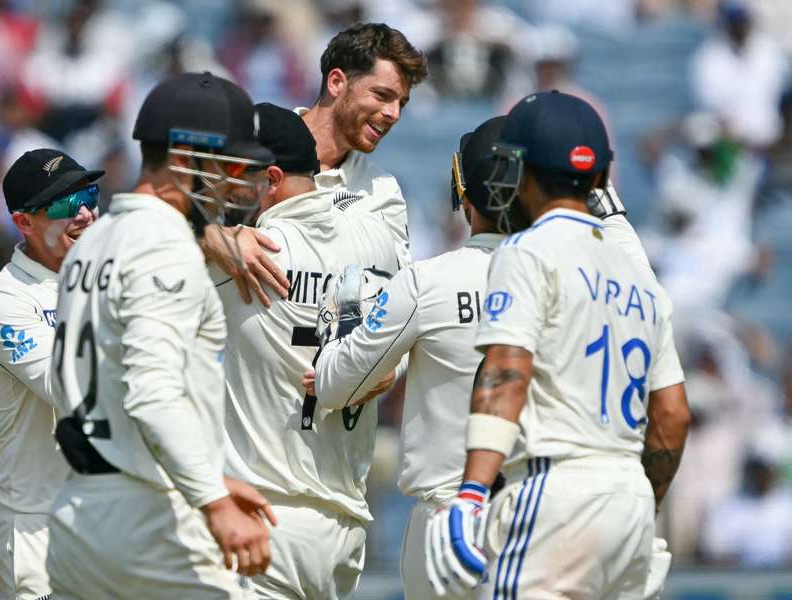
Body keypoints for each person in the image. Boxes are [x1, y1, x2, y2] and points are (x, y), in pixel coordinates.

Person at [425, 91, 691, 599]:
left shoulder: (527, 249)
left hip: (553, 490)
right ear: (598, 178)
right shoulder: (640, 276)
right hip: (630, 503)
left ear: (520, 171)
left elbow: (507, 371)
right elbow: (673, 415)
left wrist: (471, 494)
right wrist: (635, 501)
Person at [45, 72, 276, 600]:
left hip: (80, 511)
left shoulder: (94, 240)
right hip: (150, 521)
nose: (236, 184)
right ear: (187, 157)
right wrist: (212, 501)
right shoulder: (163, 244)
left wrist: (208, 479)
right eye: (229, 166)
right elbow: (152, 392)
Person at [313, 115, 529, 600]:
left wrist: (350, 304)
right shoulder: (571, 282)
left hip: (447, 520)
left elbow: (333, 386)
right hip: (543, 518)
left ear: (462, 191)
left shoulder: (426, 282)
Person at [210, 102, 399, 600]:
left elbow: (122, 252)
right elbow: (395, 341)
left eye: (232, 174)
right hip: (345, 527)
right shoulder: (376, 238)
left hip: (262, 519)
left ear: (270, 179)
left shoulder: (245, 252)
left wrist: (209, 234)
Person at [202, 22, 427, 308]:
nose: (394, 114)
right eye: (382, 95)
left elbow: (394, 296)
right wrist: (213, 237)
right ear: (336, 82)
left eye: (401, 104)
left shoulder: (383, 191)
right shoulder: (252, 141)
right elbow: (170, 222)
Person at [0, 148, 102, 600]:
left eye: (89, 193)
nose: (85, 213)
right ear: (24, 222)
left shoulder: (111, 272)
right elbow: (69, 390)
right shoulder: (3, 300)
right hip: (36, 525)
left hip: (109, 516)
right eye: (65, 204)